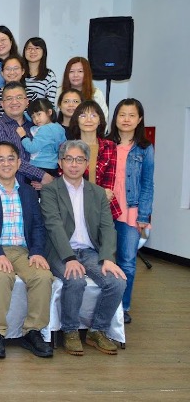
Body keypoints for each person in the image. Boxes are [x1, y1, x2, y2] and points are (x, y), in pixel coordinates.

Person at [40, 140, 127, 356]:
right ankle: (70, 330)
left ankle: (97, 330)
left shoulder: (97, 193)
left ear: (87, 163)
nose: (74, 164)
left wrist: (108, 258)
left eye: (79, 159)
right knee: (75, 279)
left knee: (117, 282)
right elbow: (53, 225)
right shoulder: (50, 191)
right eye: (69, 159)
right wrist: (69, 258)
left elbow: (108, 227)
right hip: (60, 251)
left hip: (89, 252)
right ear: (60, 162)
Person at [0, 142, 54, 359]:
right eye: (0, 159)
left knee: (43, 276)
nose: (6, 164)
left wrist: (37, 252)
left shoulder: (28, 192)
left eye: (11, 159)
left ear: (19, 163)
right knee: (1, 275)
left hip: (23, 251)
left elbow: (38, 226)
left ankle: (33, 331)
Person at [107, 99, 154, 323]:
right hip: (105, 212)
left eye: (131, 115)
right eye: (122, 114)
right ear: (115, 117)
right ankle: (103, 305)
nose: (126, 119)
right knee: (104, 260)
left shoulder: (145, 148)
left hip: (131, 212)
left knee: (127, 261)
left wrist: (144, 215)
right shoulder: (106, 143)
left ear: (139, 119)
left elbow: (147, 184)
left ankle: (122, 307)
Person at [0, 82, 54, 189]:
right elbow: (9, 159)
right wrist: (43, 176)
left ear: (27, 102)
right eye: (9, 98)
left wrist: (50, 178)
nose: (14, 102)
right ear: (2, 104)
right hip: (11, 189)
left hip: (41, 188)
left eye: (19, 97)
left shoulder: (36, 125)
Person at [68, 101, 121, 220]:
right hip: (74, 208)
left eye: (93, 115)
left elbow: (109, 183)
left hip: (103, 208)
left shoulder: (110, 146)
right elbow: (68, 183)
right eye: (83, 116)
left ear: (100, 120)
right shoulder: (67, 147)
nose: (88, 120)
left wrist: (101, 195)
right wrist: (98, 193)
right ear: (76, 120)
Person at [19, 98, 66, 176]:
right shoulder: (59, 128)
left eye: (39, 114)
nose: (36, 119)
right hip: (54, 165)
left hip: (39, 166)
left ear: (49, 112)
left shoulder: (45, 129)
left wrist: (23, 137)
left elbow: (32, 148)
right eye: (33, 117)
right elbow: (63, 147)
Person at [0, 55, 32, 125]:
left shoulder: (31, 94)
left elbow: (36, 122)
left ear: (23, 71)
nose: (12, 72)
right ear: (2, 73)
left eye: (16, 68)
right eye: (8, 69)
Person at [22, 37, 57, 102]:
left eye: (37, 48)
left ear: (43, 52)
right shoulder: (19, 72)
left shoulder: (49, 75)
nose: (32, 51)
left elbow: (50, 103)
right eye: (29, 48)